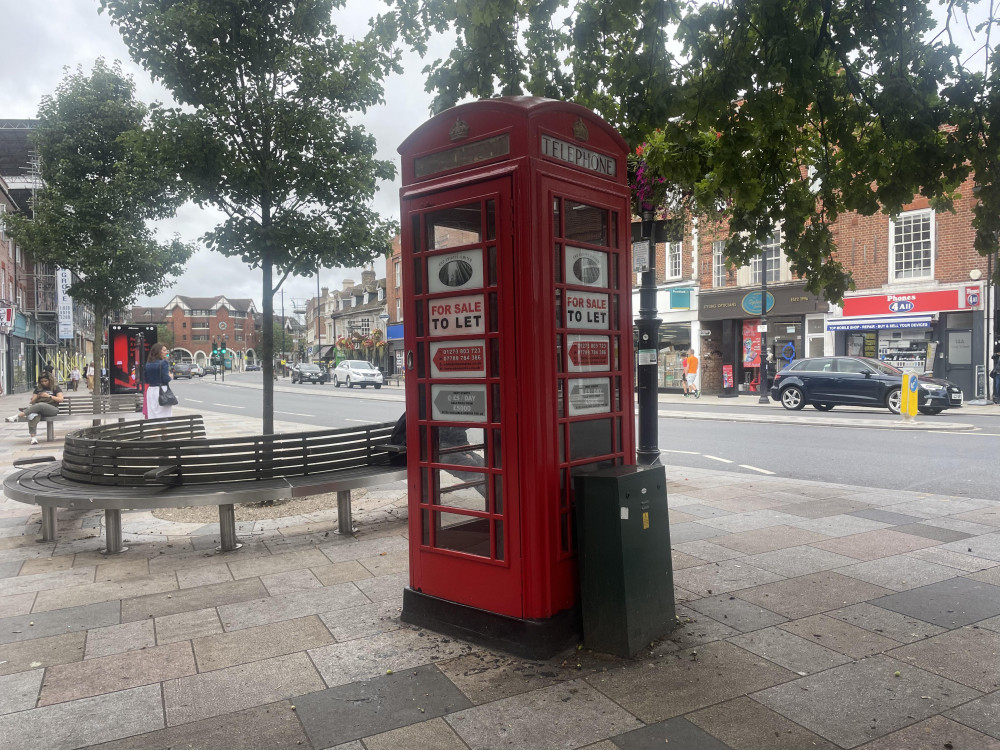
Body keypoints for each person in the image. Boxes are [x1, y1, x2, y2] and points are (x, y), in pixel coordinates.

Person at [6, 373, 64, 444]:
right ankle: (33, 439)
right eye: (42, 381)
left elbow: (60, 399)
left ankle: (18, 416)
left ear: (50, 380)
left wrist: (48, 396)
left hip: (52, 409)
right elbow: (32, 402)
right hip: (38, 408)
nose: (43, 383)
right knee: (32, 416)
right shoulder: (38, 389)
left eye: (45, 381)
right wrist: (37, 397)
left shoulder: (55, 388)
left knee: (40, 405)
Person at [144, 343, 174, 419]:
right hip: (162, 391)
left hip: (151, 391)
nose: (166, 352)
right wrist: (170, 376)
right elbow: (165, 379)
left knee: (153, 416)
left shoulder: (148, 364)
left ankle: (155, 430)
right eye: (164, 350)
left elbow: (146, 379)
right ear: (159, 352)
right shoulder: (164, 363)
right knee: (164, 417)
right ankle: (162, 430)